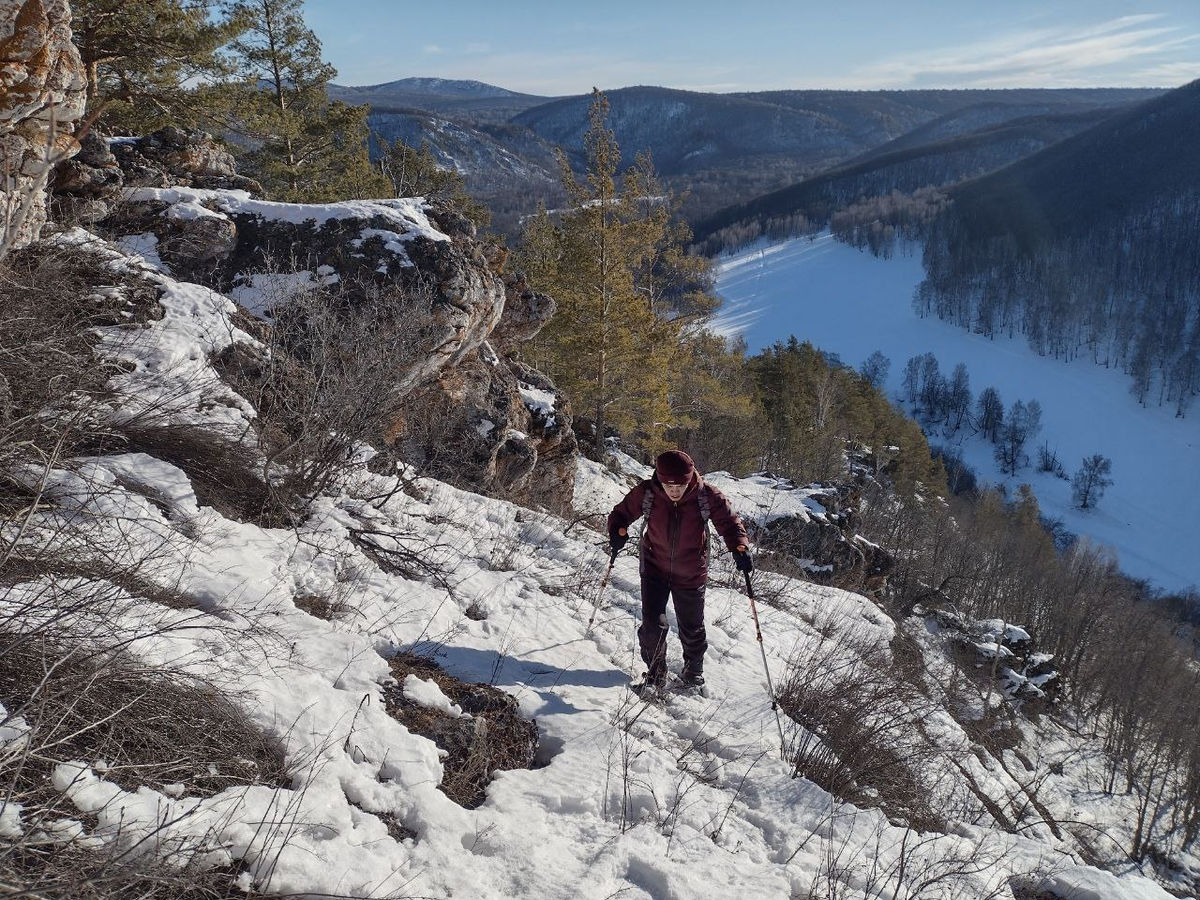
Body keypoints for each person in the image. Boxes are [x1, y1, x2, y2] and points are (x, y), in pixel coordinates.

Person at [607, 449, 752, 690]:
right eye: (668, 485)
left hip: (691, 570)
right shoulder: (648, 492)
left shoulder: (706, 495)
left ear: (690, 479)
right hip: (654, 568)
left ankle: (693, 670)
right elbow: (621, 513)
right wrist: (617, 529)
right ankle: (655, 674)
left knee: (692, 625)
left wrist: (740, 547)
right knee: (652, 625)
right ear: (660, 479)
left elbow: (730, 523)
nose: (674, 490)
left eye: (680, 485)